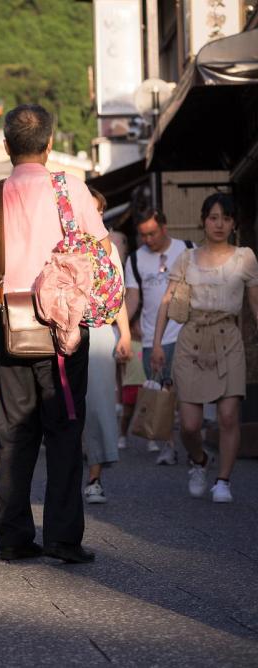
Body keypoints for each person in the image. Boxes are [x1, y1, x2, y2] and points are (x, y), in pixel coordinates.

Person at [0, 105, 110, 564]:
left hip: (11, 322)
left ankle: (12, 535)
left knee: (15, 429)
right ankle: (63, 538)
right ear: (49, 144)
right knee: (65, 428)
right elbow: (100, 250)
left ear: (6, 146)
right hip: (63, 325)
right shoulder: (73, 189)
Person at [152, 193, 258, 503]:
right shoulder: (186, 258)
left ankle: (223, 480)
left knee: (228, 416)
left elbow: (254, 303)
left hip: (228, 338)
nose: (219, 224)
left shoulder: (246, 257)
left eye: (226, 218)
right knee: (189, 424)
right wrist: (157, 344)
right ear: (203, 220)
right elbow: (167, 300)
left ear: (234, 222)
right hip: (191, 341)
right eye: (213, 217)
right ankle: (199, 460)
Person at [125, 209, 192, 465]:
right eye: (143, 235)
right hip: (152, 336)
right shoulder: (135, 259)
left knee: (183, 393)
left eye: (152, 233)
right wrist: (123, 325)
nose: (148, 240)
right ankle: (168, 445)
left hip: (184, 333)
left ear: (164, 228)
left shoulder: (187, 249)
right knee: (160, 393)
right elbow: (133, 297)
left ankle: (191, 442)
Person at [81, 189, 132, 505]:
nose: (95, 218)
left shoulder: (109, 249)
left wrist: (124, 334)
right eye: (91, 211)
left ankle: (94, 478)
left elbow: (119, 295)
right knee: (71, 407)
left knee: (99, 404)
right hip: (64, 331)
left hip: (100, 331)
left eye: (100, 212)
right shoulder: (59, 245)